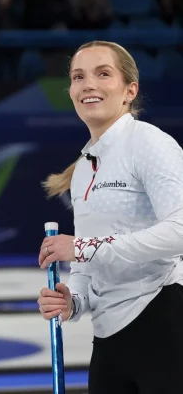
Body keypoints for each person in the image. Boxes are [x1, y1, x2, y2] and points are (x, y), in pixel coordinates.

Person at [38, 40, 183, 393]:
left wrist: (82, 247)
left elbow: (180, 230)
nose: (88, 84)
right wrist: (72, 302)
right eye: (78, 77)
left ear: (130, 90)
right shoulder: (83, 169)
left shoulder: (149, 143)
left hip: (163, 320)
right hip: (108, 339)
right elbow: (86, 268)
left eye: (103, 74)